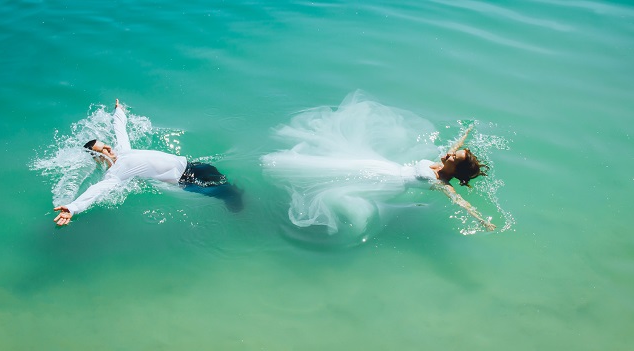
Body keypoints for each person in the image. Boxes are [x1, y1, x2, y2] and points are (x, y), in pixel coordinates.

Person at [261, 91, 496, 234]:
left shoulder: (443, 183)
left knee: (343, 181)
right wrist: (467, 132)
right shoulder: (441, 162)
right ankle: (298, 174)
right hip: (384, 167)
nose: (450, 154)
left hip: (387, 183)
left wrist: (483, 221)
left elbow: (460, 203)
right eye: (454, 154)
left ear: (456, 168)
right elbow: (455, 146)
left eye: (455, 158)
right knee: (340, 166)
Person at [53, 99, 242, 226]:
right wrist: (73, 208)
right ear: (99, 159)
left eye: (106, 145)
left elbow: (120, 129)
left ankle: (236, 194)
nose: (108, 149)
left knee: (226, 181)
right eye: (102, 150)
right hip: (186, 180)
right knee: (228, 195)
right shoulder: (115, 175)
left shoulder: (123, 150)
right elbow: (96, 191)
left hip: (191, 164)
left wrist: (119, 111)